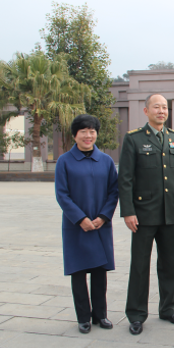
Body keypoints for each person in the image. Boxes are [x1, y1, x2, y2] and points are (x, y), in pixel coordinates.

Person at [118, 93, 174, 335]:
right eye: (156, 107)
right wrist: (128, 212)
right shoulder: (134, 139)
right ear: (146, 111)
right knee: (140, 265)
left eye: (165, 108)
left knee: (169, 264)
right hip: (142, 214)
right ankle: (137, 314)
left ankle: (168, 308)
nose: (161, 111)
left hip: (169, 213)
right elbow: (126, 179)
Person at [55, 114, 119, 334]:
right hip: (76, 227)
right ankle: (83, 317)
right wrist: (80, 219)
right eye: (84, 131)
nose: (88, 135)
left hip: (101, 224)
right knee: (79, 271)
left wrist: (103, 216)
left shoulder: (106, 161)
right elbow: (62, 195)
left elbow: (114, 191)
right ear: (75, 135)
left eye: (92, 131)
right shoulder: (64, 161)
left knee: (100, 272)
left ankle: (100, 315)